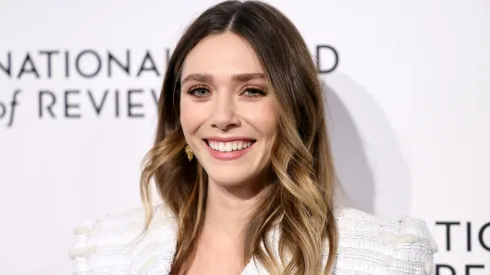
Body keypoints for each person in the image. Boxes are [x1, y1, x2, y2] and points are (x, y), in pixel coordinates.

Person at [69, 1, 438, 274]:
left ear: (295, 108)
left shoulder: (376, 260)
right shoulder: (109, 253)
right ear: (176, 109)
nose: (223, 118)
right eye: (200, 91)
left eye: (252, 91)